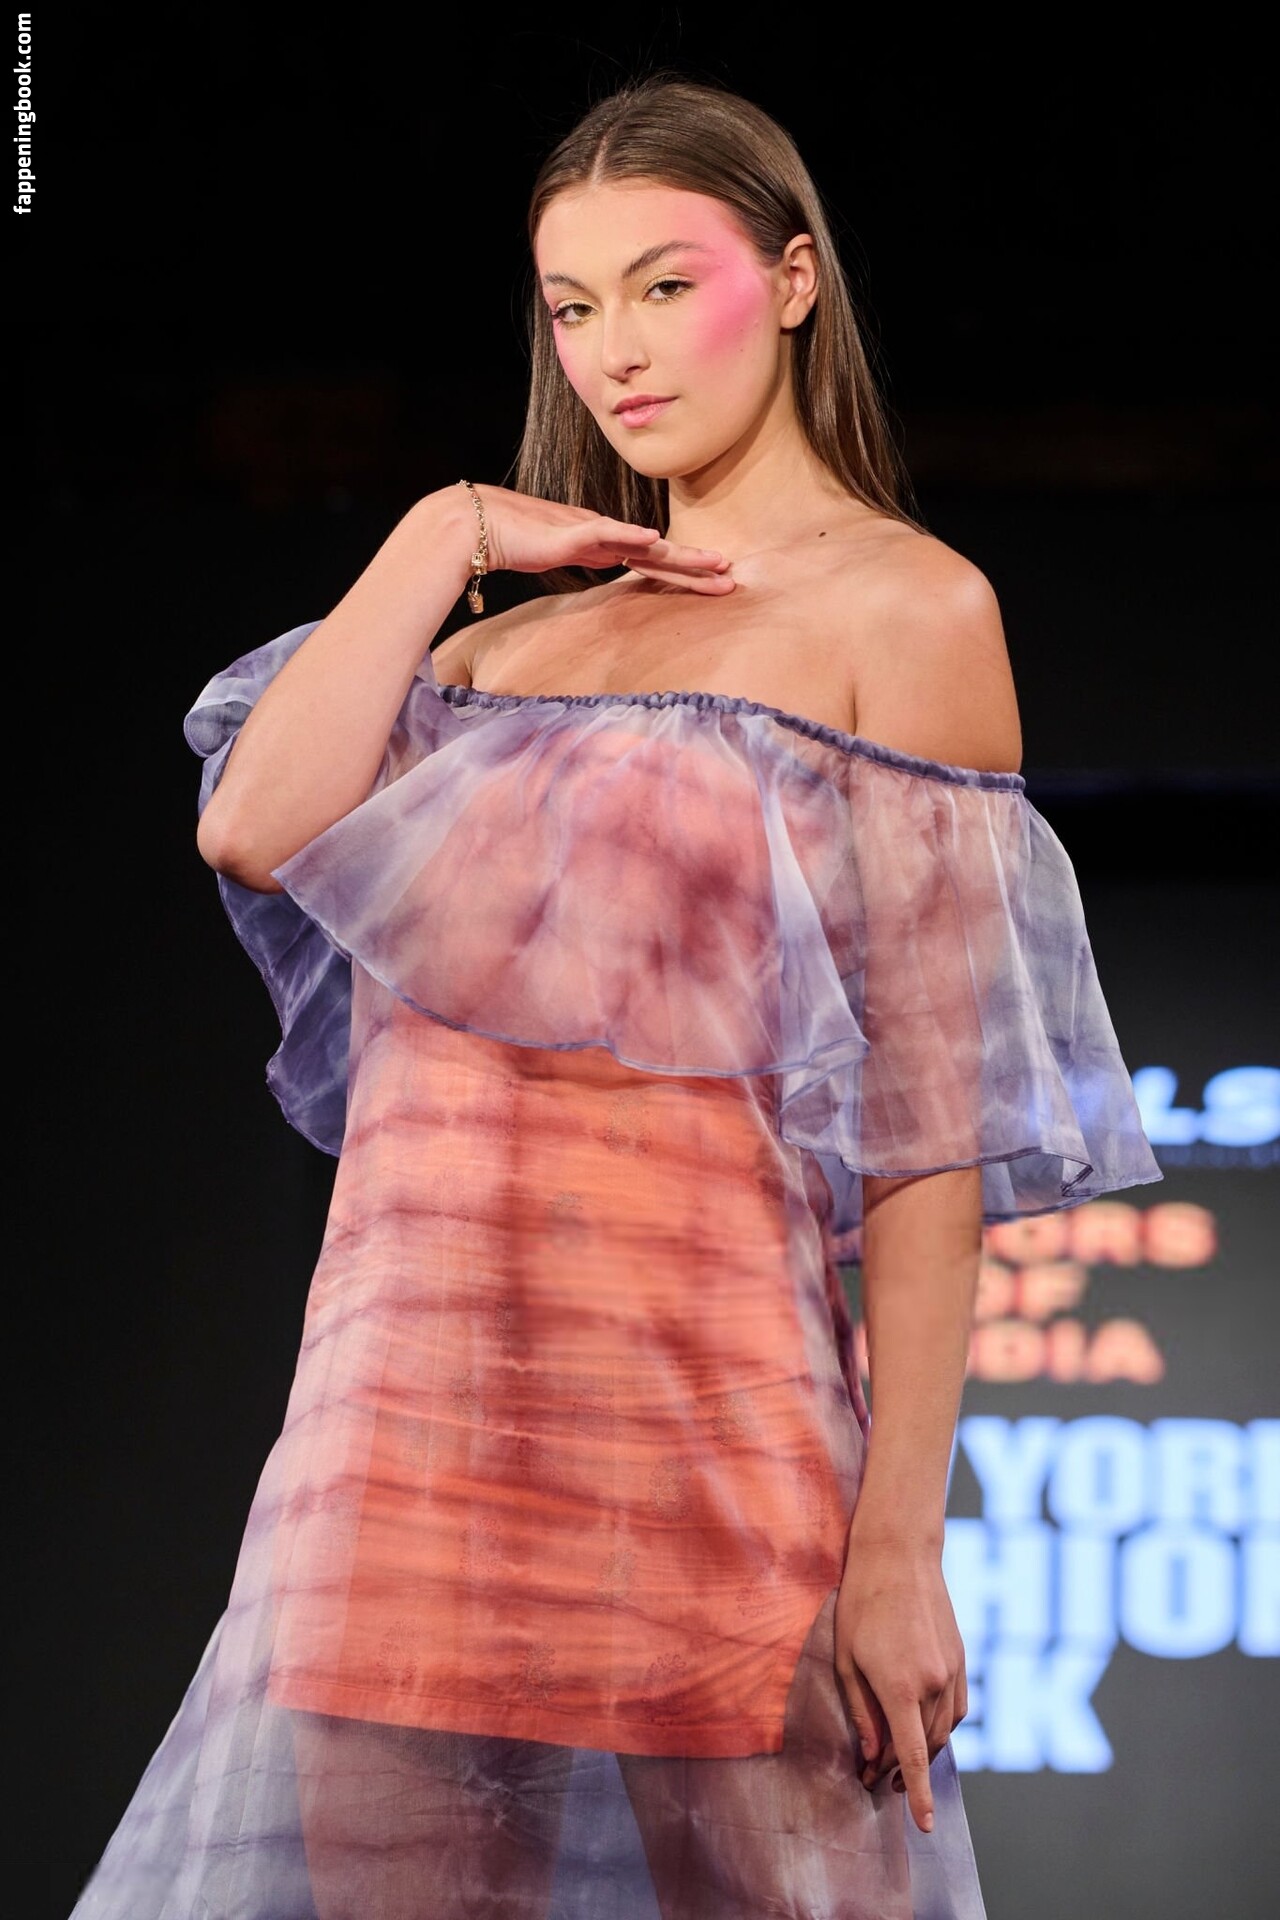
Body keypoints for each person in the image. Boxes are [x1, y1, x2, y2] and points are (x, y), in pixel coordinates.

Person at [72, 74, 1162, 1920]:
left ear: (794, 280)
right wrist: (444, 534)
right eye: (574, 307)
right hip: (411, 1432)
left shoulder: (907, 616)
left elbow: (929, 1130)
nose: (618, 353)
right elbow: (249, 824)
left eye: (667, 285)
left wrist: (898, 1545)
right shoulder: (500, 647)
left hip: (711, 1430)